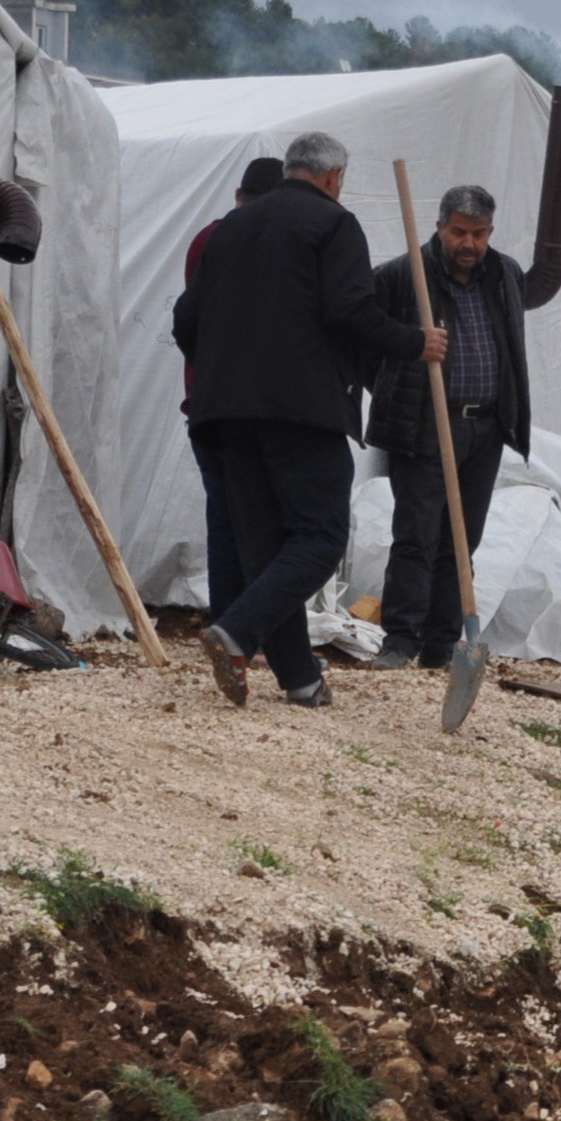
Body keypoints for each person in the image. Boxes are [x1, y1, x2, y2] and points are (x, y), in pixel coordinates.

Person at [173, 130, 443, 708]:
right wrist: (414, 342)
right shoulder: (332, 224)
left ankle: (299, 679)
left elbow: (185, 322)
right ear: (333, 178)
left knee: (267, 549)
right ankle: (237, 632)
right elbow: (350, 311)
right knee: (320, 538)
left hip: (225, 412)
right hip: (301, 409)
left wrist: (229, 364)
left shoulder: (227, 230)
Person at [365, 183, 535, 670]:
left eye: (478, 234)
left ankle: (441, 643)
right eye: (459, 232)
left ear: (490, 233)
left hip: (485, 427)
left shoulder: (504, 274)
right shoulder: (404, 275)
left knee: (464, 538)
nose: (469, 244)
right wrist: (404, 373)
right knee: (417, 533)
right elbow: (367, 340)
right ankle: (400, 639)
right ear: (440, 227)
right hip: (425, 424)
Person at [183, 156, 286, 623]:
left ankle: (231, 621)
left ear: (239, 196)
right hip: (250, 404)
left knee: (225, 516)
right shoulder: (258, 243)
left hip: (208, 402)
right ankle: (248, 626)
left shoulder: (210, 237)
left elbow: (190, 321)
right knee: (258, 519)